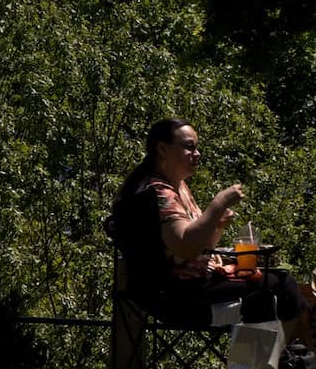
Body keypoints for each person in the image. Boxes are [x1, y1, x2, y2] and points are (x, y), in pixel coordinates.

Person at [109, 118, 309, 340]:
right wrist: (218, 203)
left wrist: (218, 225)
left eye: (197, 147)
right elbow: (185, 247)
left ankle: (272, 365)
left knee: (274, 287)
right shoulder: (159, 193)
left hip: (193, 284)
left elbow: (199, 248)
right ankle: (278, 366)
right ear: (162, 149)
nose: (197, 153)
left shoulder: (178, 187)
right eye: (189, 147)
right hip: (181, 297)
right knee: (284, 286)